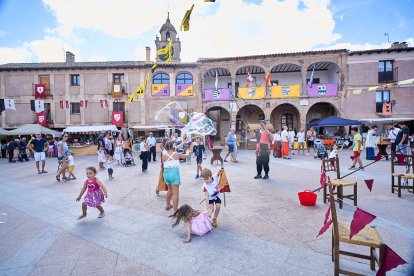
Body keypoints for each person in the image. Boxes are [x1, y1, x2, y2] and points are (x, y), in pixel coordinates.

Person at [162, 141, 188, 212]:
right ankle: (175, 211)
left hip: (166, 173)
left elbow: (164, 165)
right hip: (174, 173)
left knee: (169, 190)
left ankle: (167, 204)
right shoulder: (176, 154)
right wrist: (188, 153)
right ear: (172, 147)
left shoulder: (163, 156)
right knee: (175, 192)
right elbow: (185, 156)